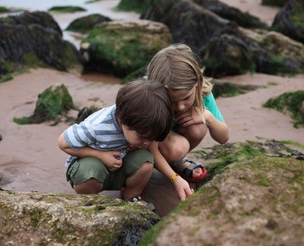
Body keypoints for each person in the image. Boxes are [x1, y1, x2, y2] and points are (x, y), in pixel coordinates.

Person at [57, 78, 173, 209]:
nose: (147, 142)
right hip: (89, 169)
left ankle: (131, 195)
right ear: (123, 120)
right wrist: (100, 155)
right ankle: (91, 201)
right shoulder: (97, 126)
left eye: (151, 138)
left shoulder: (138, 123)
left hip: (118, 165)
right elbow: (63, 142)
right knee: (90, 169)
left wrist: (175, 178)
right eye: (142, 137)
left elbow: (152, 151)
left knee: (146, 160)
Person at [147, 43, 229, 201]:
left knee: (198, 128)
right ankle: (167, 164)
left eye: (186, 98)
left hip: (166, 141)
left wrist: (207, 117)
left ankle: (175, 162)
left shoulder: (202, 93)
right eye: (172, 101)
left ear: (196, 84)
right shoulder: (151, 99)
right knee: (178, 148)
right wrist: (174, 178)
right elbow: (151, 147)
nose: (180, 106)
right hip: (146, 147)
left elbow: (223, 137)